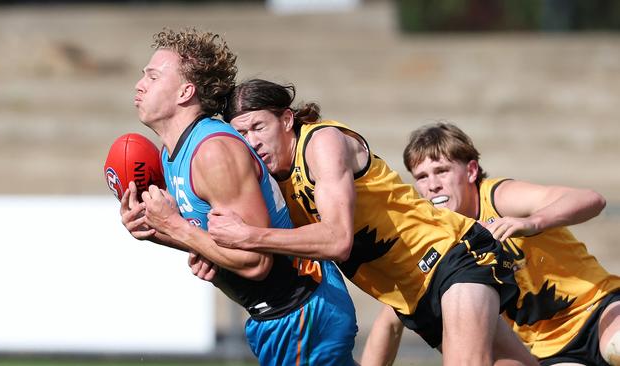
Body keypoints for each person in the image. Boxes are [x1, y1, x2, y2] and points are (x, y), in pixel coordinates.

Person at [206, 79, 537, 365]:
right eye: (241, 133)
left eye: (259, 127)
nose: (252, 141)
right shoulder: (269, 182)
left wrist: (247, 236)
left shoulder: (322, 144)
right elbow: (269, 255)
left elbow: (337, 240)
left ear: (287, 119)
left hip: (451, 256)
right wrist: (215, 259)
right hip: (411, 297)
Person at [119, 28, 357, 365]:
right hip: (277, 316)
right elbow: (215, 241)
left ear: (186, 91)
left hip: (301, 308)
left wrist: (175, 228)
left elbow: (257, 263)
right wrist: (152, 230)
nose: (139, 84)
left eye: (153, 76)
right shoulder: (172, 154)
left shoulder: (213, 152)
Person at [361, 121, 620, 365]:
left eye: (441, 171)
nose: (433, 186)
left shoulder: (497, 198)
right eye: (422, 176)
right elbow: (389, 322)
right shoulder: (434, 235)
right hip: (546, 352)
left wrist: (533, 222)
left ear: (471, 171)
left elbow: (591, 199)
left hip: (597, 309)